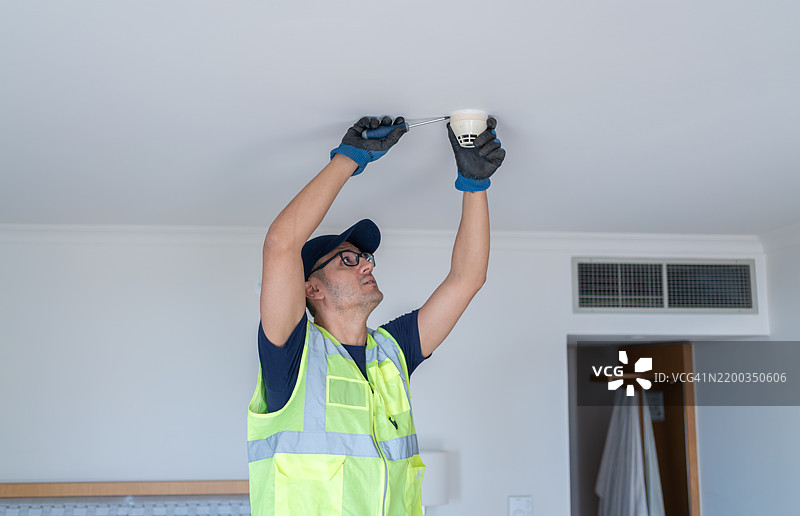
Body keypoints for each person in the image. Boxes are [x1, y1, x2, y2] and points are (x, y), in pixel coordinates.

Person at [247, 115, 505, 516]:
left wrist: (475, 185)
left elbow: (467, 279)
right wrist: (348, 158)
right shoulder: (292, 356)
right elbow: (281, 243)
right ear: (310, 289)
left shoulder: (393, 351)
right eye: (348, 260)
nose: (367, 265)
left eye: (365, 258)